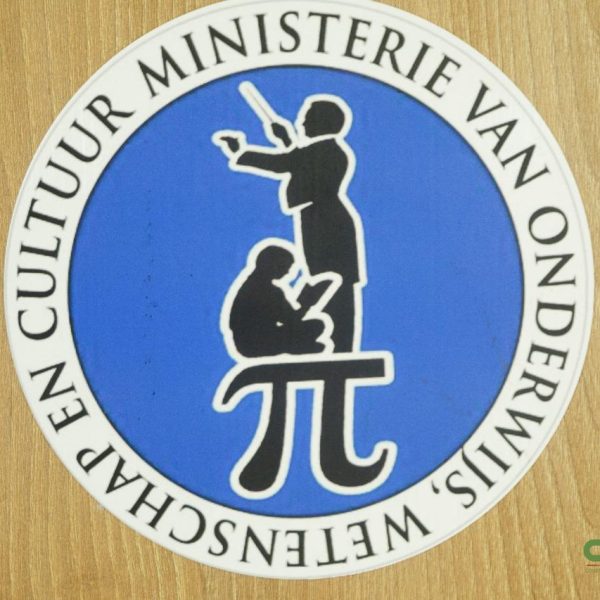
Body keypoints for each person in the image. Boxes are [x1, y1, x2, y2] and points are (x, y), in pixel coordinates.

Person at [214, 94, 366, 353]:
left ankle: (342, 350)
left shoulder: (328, 150)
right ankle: (336, 347)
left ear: (323, 122)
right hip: (316, 219)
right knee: (325, 282)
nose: (300, 121)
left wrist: (242, 151)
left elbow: (285, 164)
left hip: (328, 223)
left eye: (306, 117)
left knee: (335, 285)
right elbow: (299, 163)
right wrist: (287, 141)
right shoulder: (321, 151)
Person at [225, 243, 334, 358]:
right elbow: (291, 320)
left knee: (316, 328)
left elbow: (289, 318)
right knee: (316, 326)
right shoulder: (268, 291)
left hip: (246, 343)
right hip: (258, 343)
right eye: (285, 266)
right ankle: (295, 347)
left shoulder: (251, 285)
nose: (287, 272)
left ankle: (298, 347)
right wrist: (307, 303)